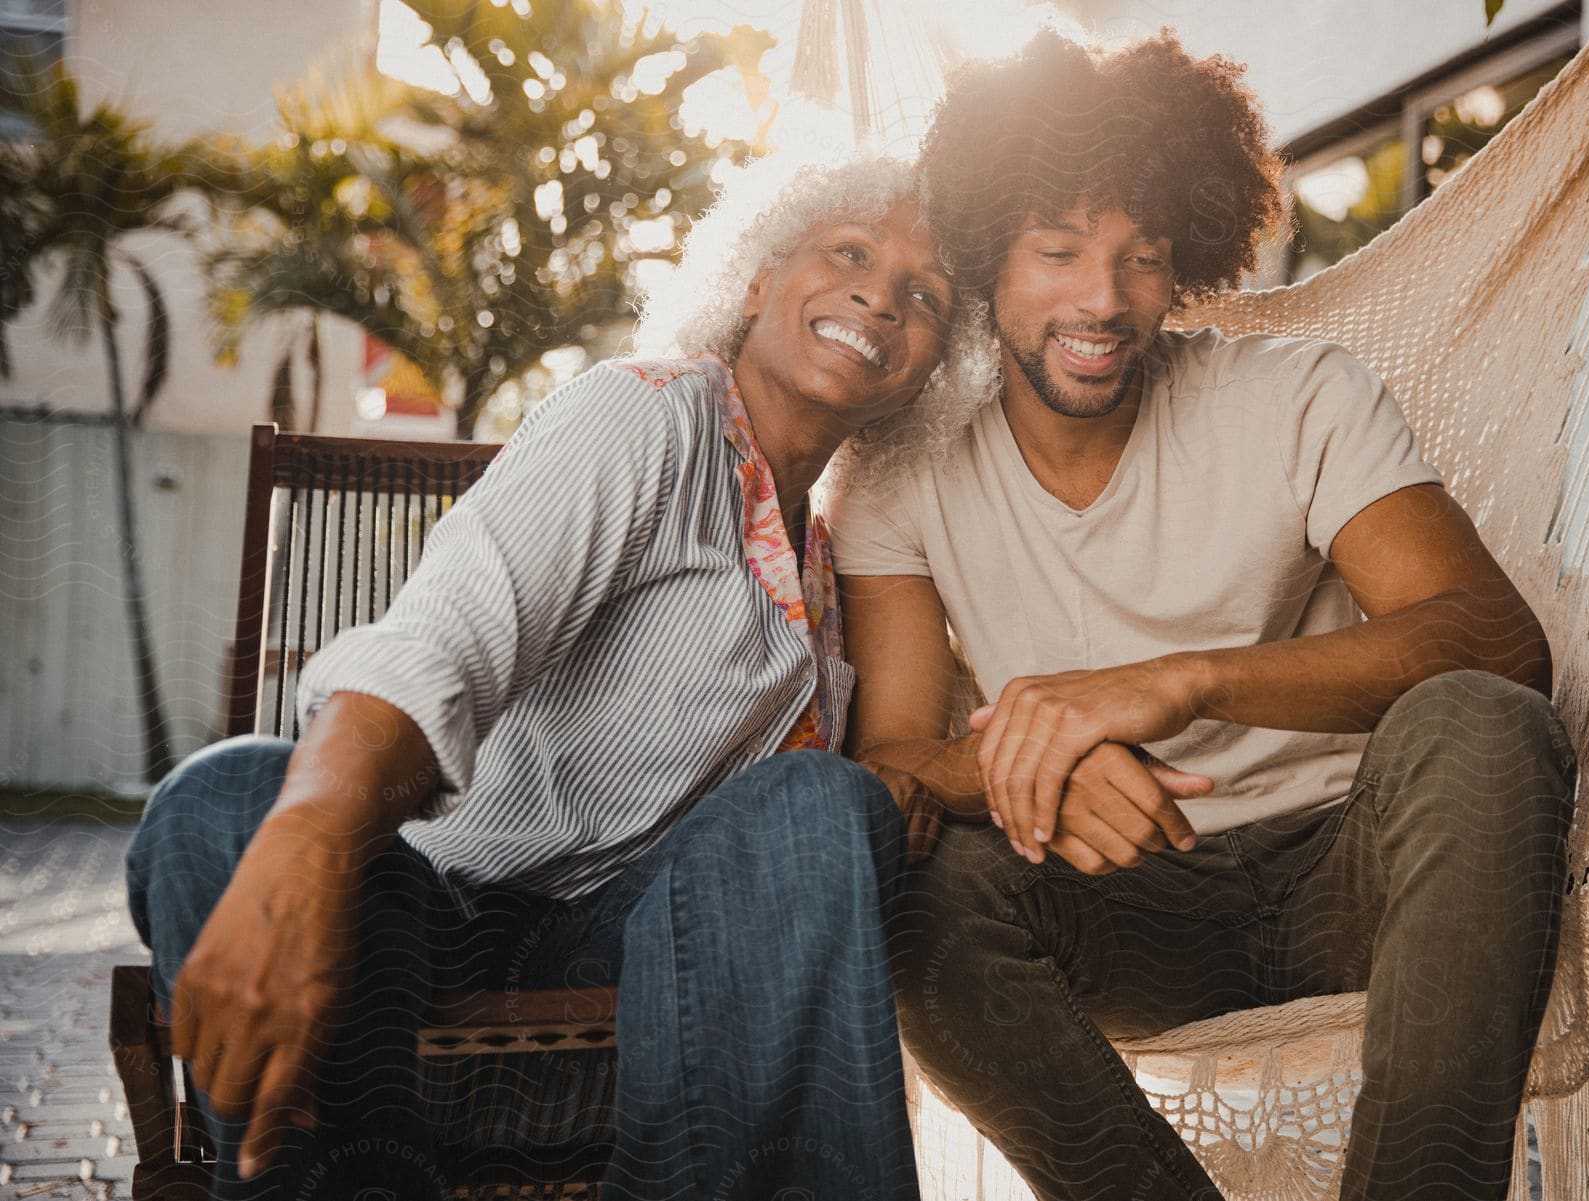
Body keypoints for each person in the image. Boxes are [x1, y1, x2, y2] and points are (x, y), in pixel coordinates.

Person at [125, 154, 985, 1201]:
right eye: (849, 253)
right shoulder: (646, 418)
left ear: (938, 360)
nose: (878, 296)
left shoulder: (845, 566)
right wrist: (307, 838)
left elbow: (874, 791)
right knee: (219, 800)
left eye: (924, 294)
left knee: (816, 802)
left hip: (634, 973)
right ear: (756, 281)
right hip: (423, 917)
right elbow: (446, 639)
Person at [830, 31, 1579, 1201]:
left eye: (1143, 256)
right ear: (988, 263)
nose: (1102, 299)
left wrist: (1181, 681)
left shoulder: (1296, 397)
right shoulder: (903, 472)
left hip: (1351, 873)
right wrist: (1040, 768)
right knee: (912, 886)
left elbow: (1498, 639)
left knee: (1487, 725)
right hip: (1117, 899)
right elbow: (896, 761)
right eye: (1060, 250)